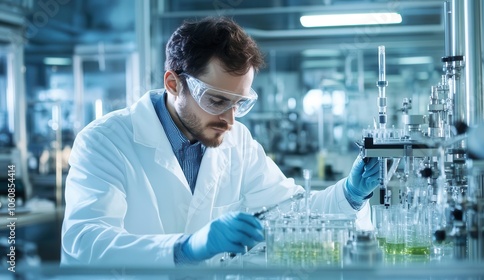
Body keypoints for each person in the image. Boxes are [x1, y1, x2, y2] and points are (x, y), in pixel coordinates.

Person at [61, 16, 379, 267]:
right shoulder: (104, 140)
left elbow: (289, 213)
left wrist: (349, 195)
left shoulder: (236, 140)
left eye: (239, 103)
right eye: (215, 100)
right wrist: (187, 248)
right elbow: (88, 242)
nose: (229, 119)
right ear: (173, 83)